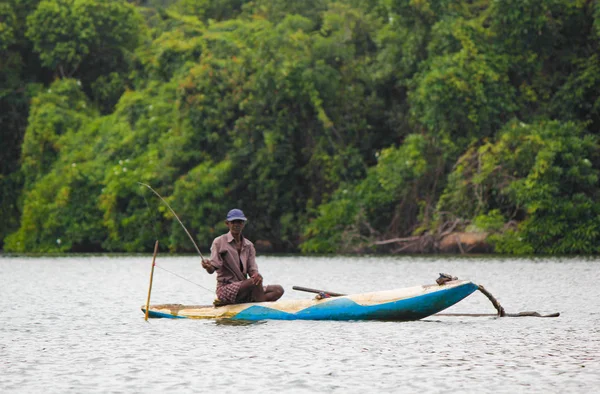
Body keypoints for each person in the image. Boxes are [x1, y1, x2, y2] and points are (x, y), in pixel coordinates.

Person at [201, 208, 284, 306]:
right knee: (253, 282)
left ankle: (255, 302)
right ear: (227, 223)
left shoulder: (249, 245)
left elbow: (252, 270)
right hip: (225, 289)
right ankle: (261, 308)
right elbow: (212, 269)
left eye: (239, 222)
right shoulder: (219, 242)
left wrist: (257, 275)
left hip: (245, 288)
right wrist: (207, 266)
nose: (236, 224)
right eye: (233, 222)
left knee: (278, 290)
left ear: (243, 224)